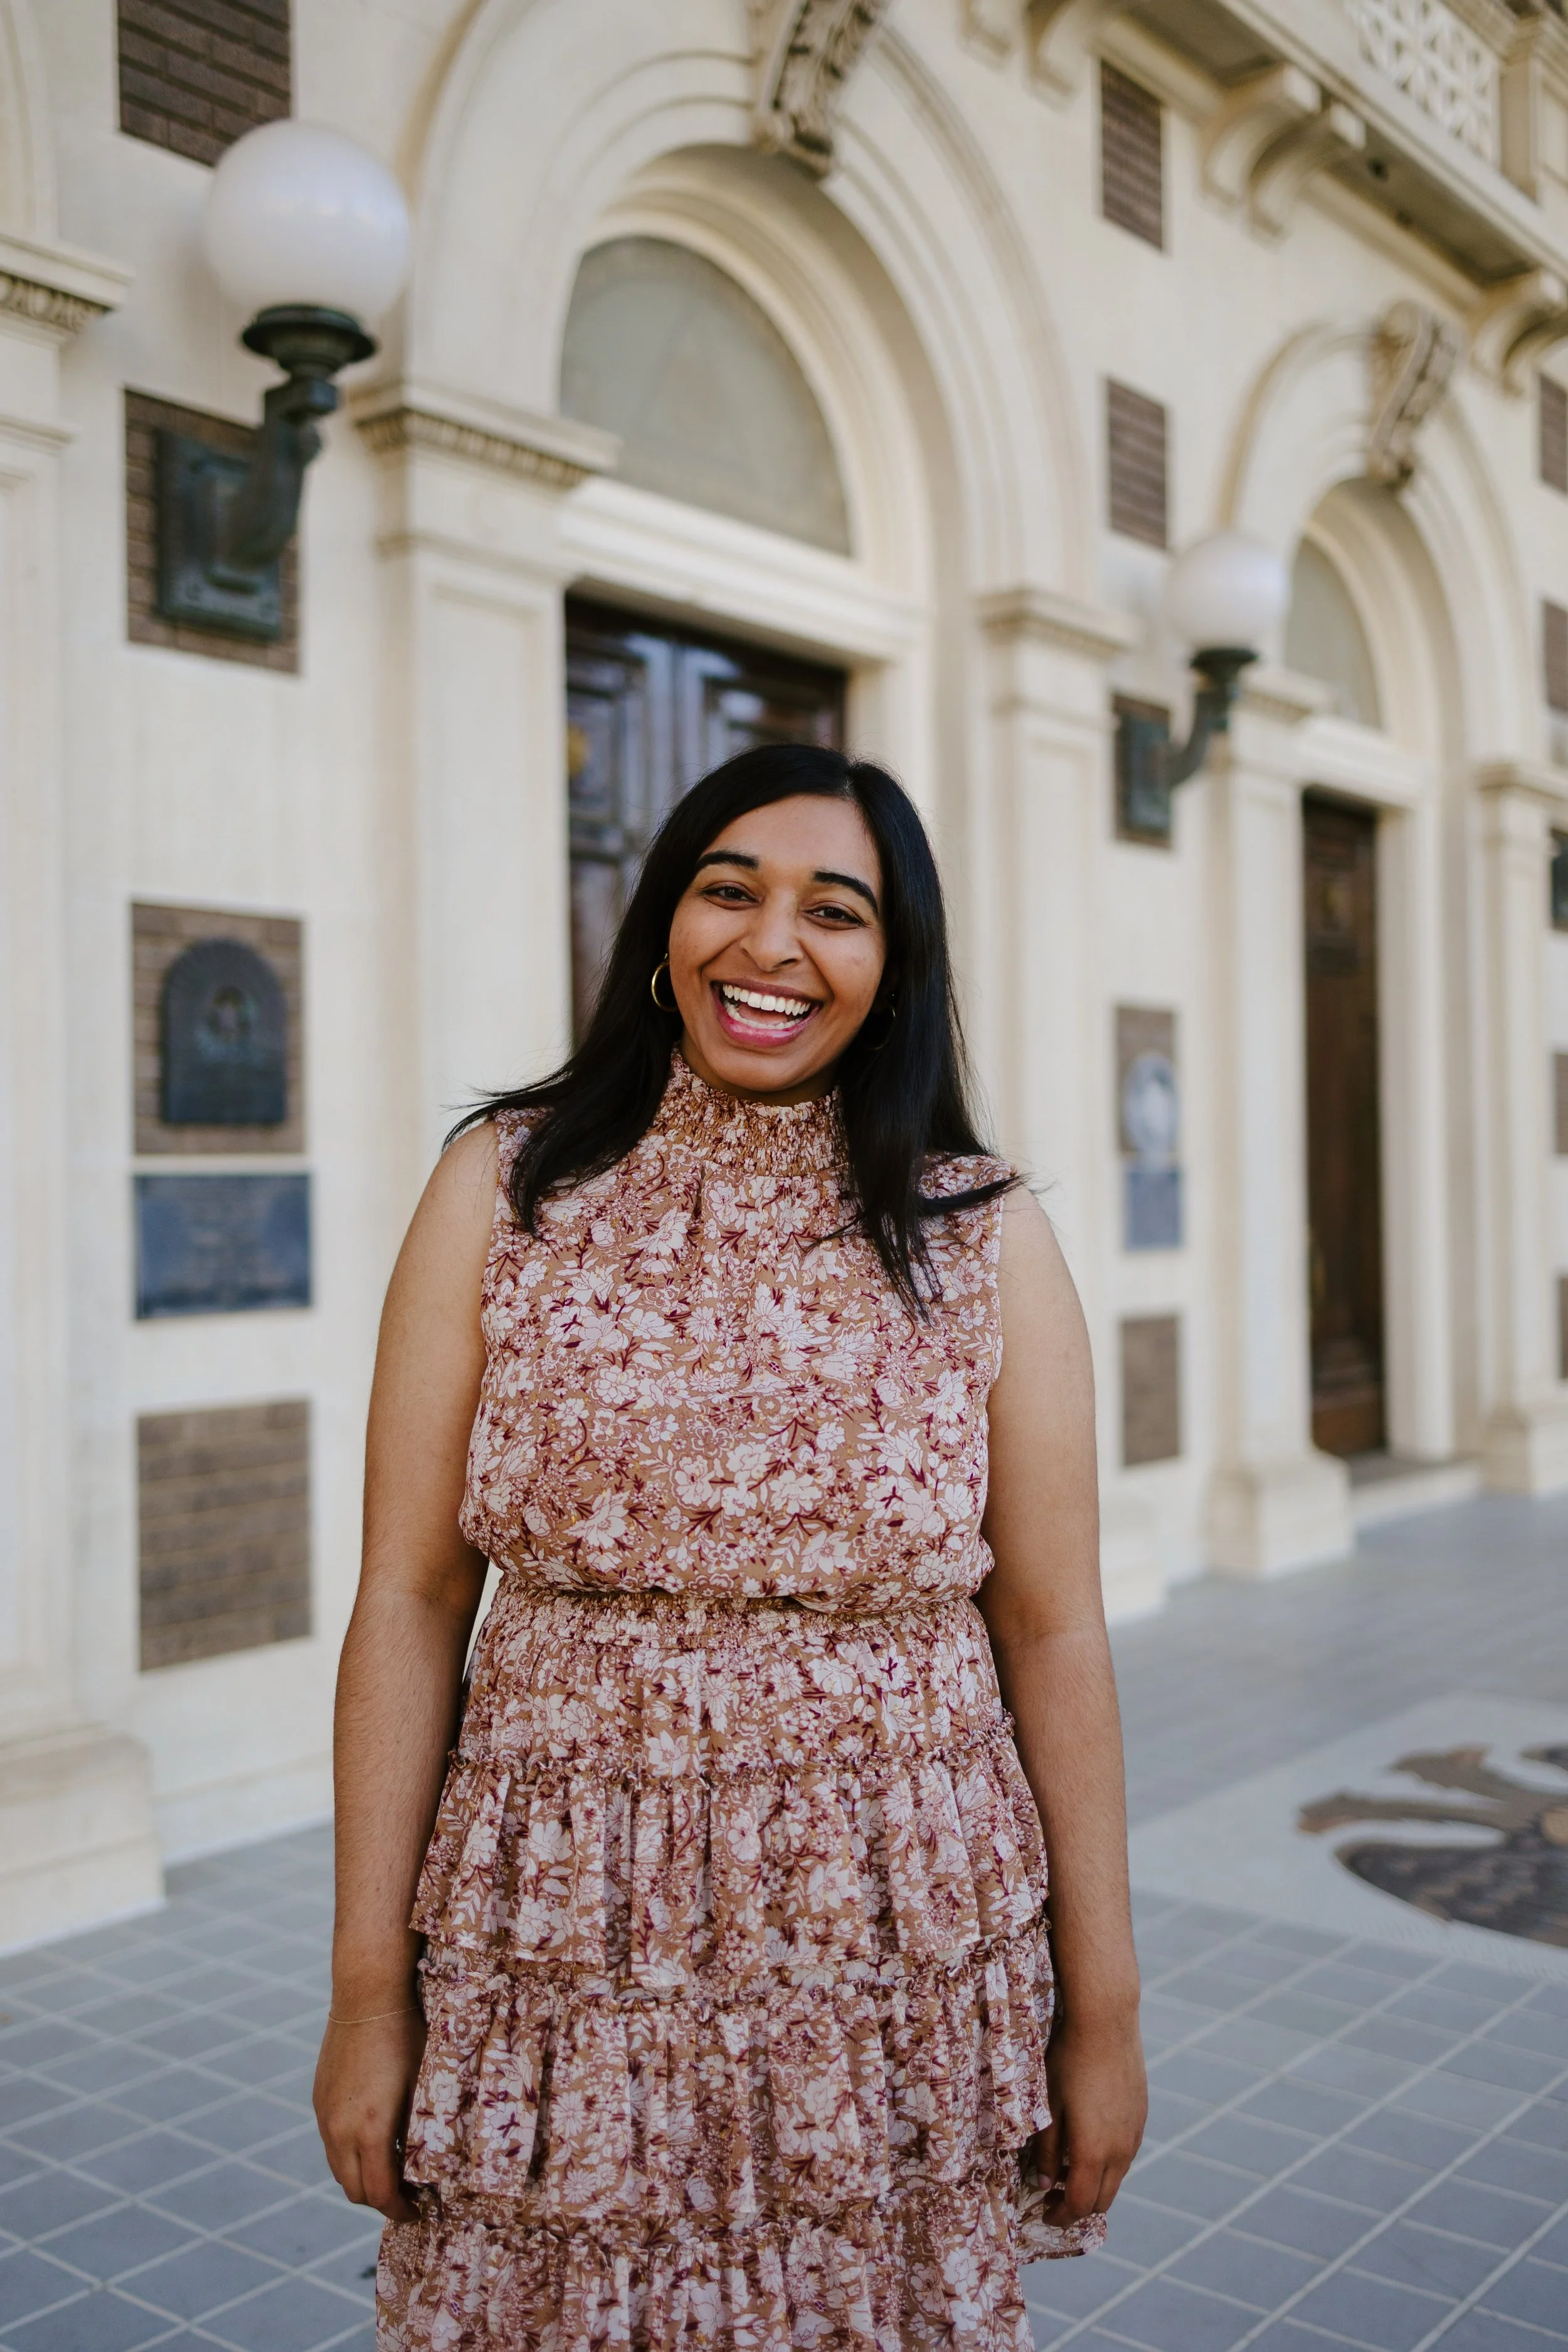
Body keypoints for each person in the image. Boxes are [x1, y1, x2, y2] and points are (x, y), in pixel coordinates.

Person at [314, 743, 1147, 2352]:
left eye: (835, 912)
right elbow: (408, 1599)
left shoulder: (984, 1237)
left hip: (893, 1959)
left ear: (894, 972)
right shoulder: (506, 1185)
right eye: (727, 890)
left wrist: (1100, 2013)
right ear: (658, 923)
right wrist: (366, 1995)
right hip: (558, 1949)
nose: (770, 945)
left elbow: (1054, 1631)